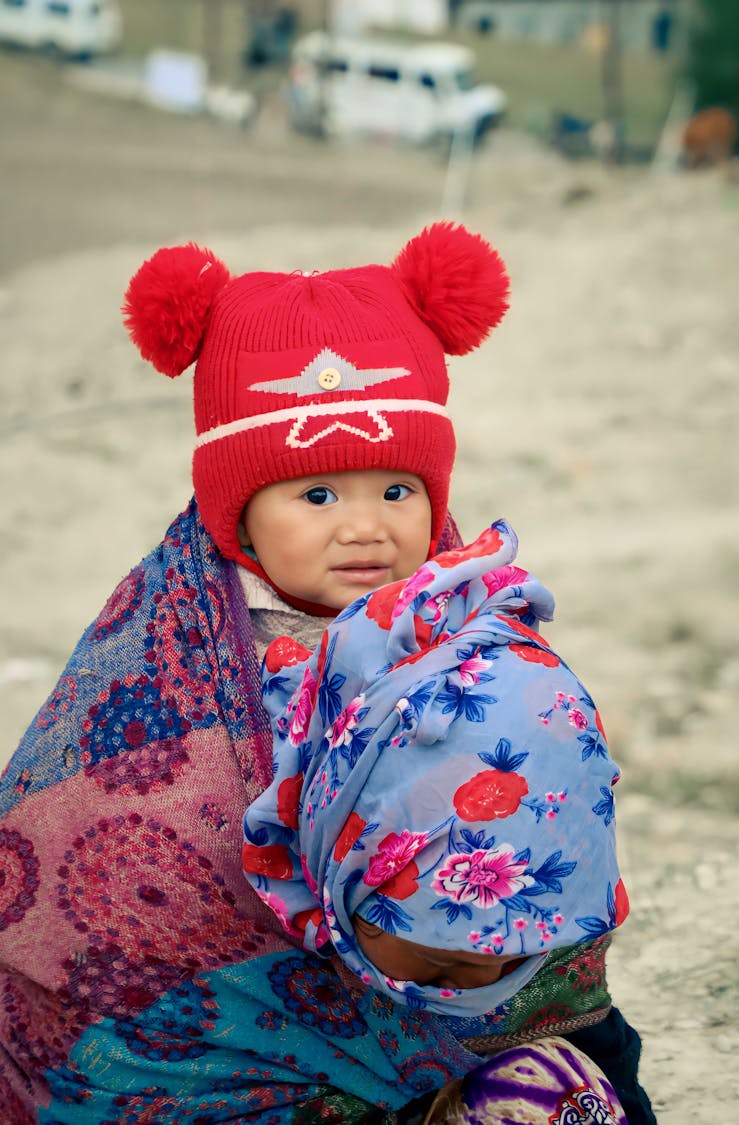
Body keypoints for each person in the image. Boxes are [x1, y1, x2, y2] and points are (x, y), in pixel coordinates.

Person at [0, 223, 653, 1122]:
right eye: (316, 495)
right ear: (238, 509)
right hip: (230, 1050)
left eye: (397, 488)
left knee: (575, 1086)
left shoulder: (467, 622)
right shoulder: (163, 663)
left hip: (445, 985)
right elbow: (89, 844)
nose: (364, 526)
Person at [241, 523, 637, 1123]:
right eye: (441, 963)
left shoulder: (561, 986)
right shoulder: (236, 1017)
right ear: (341, 864)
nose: (484, 981)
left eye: (518, 953)